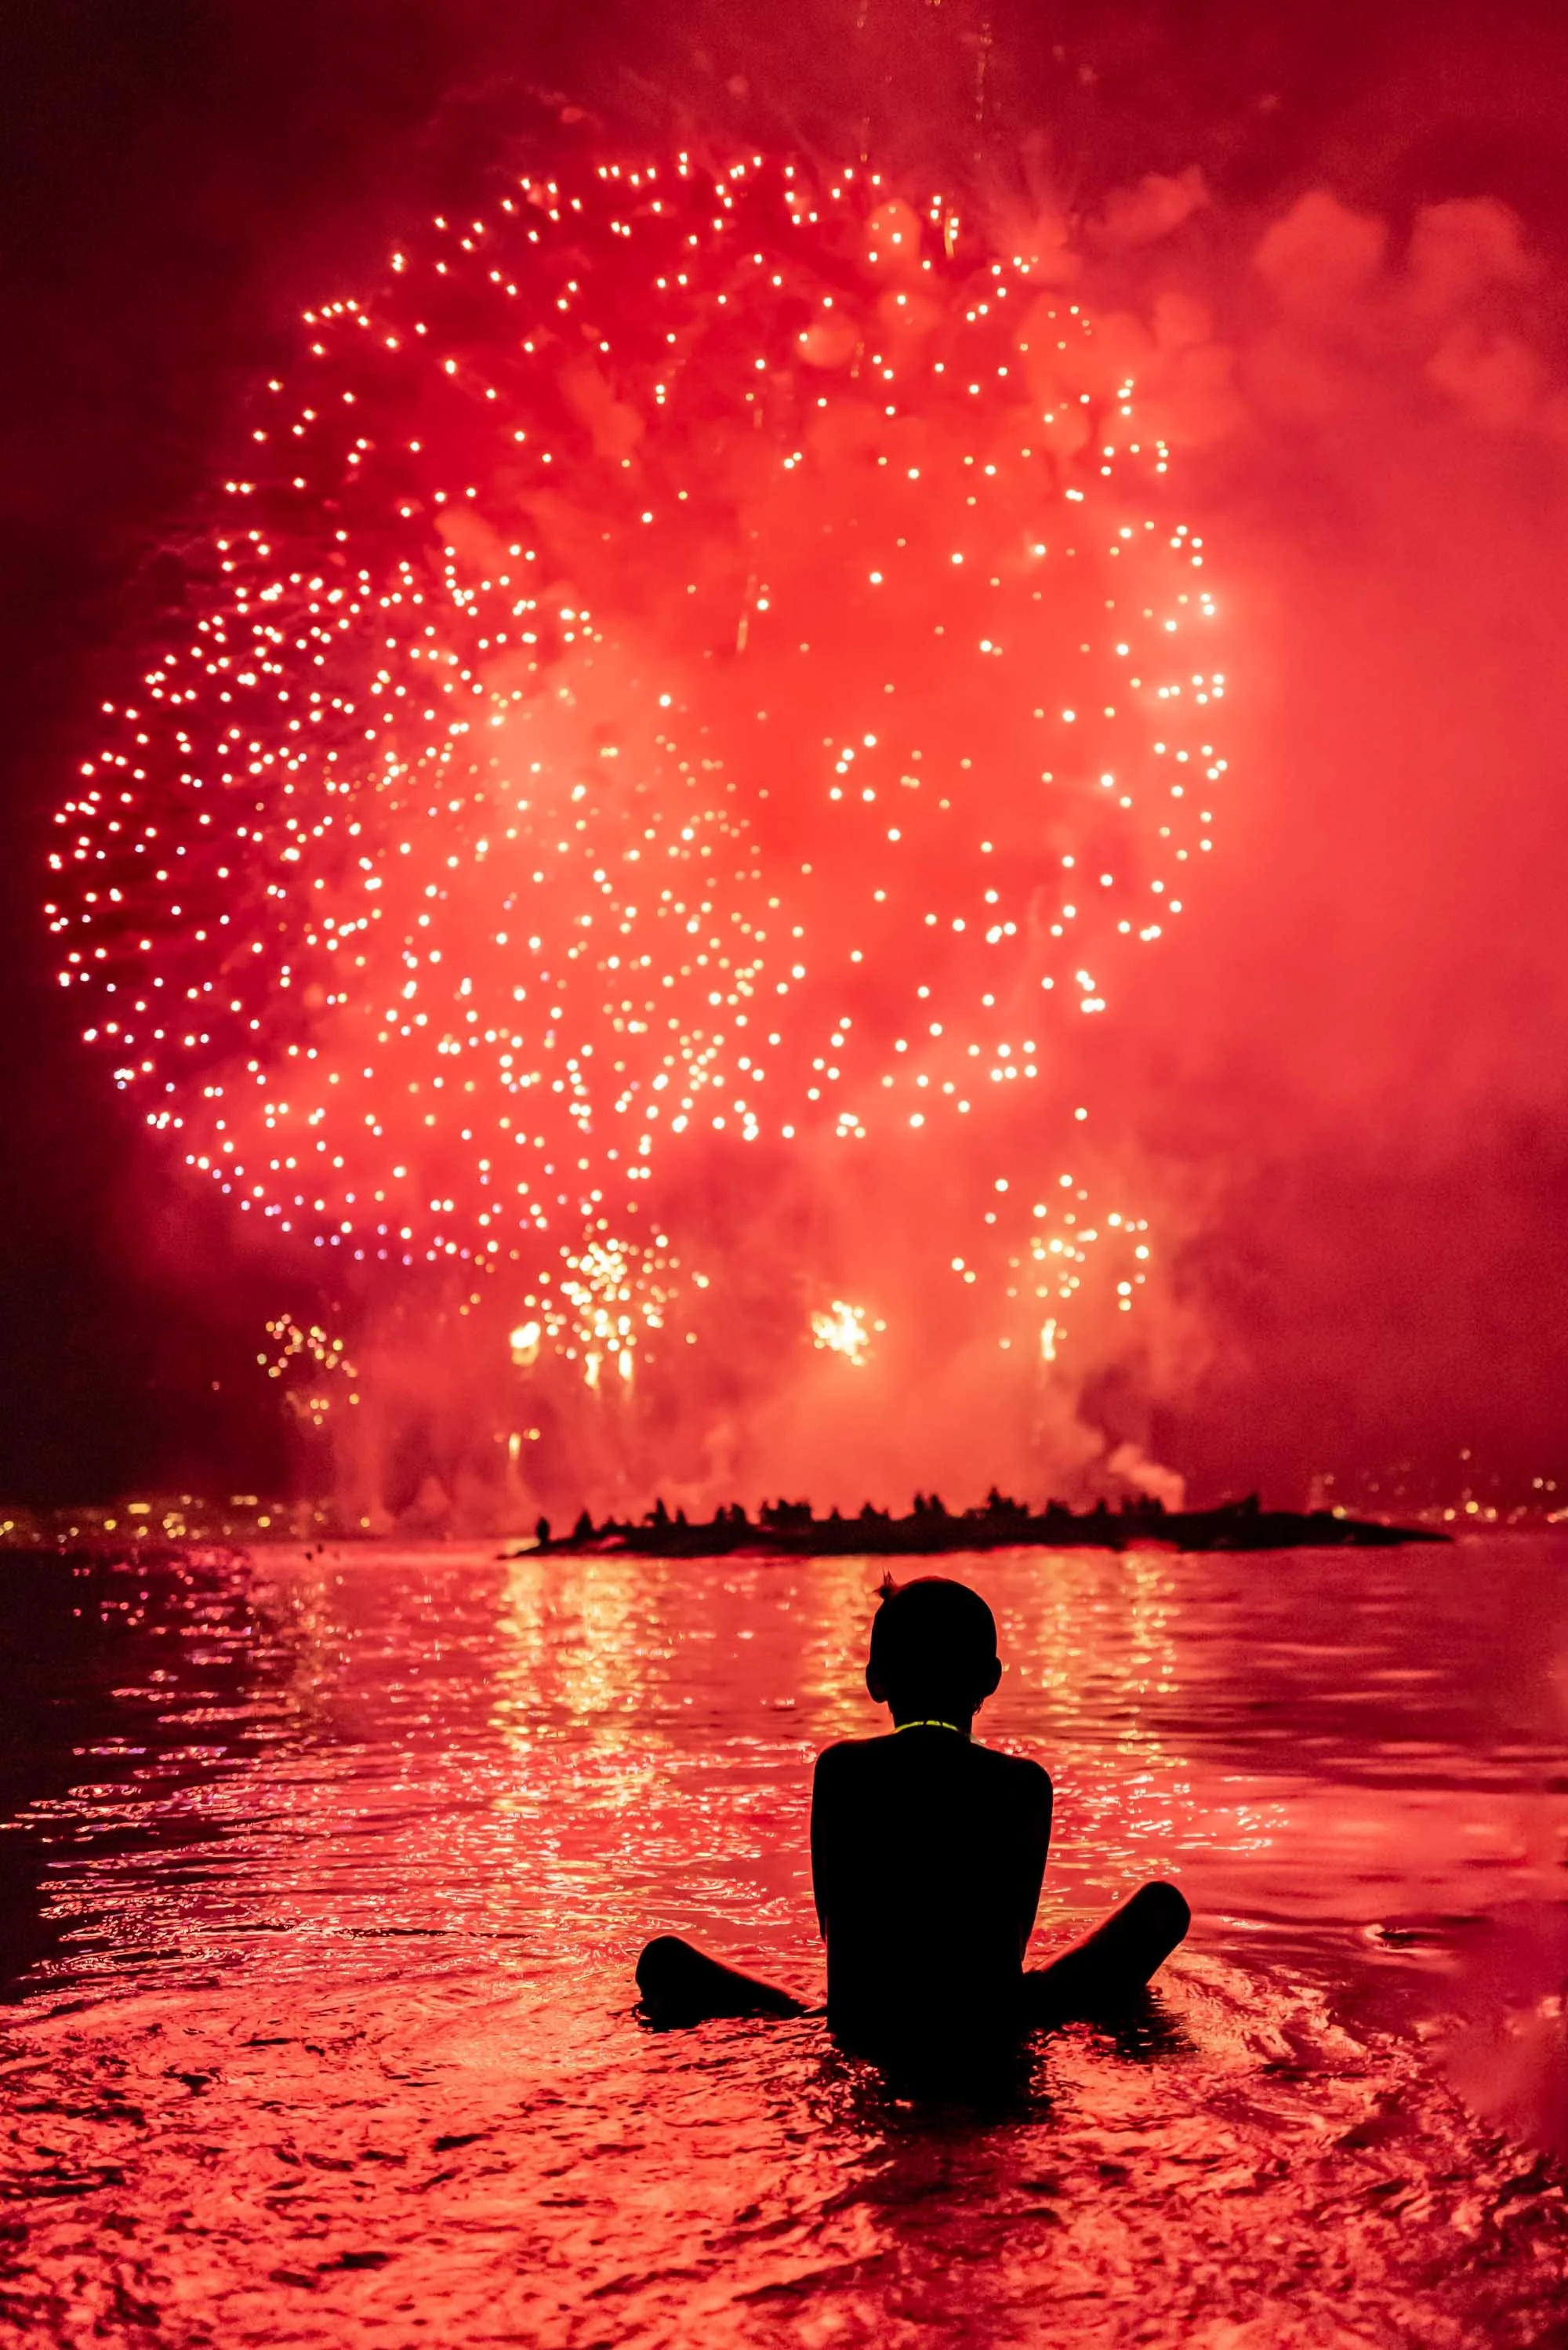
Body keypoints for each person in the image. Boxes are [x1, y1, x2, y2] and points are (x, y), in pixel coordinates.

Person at [636, 1575, 1189, 2071]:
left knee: (666, 1961)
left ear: (877, 1680)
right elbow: (1010, 1939)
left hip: (860, 2024)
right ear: (990, 1678)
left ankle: (815, 2015)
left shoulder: (842, 1770)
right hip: (989, 2024)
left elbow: (836, 1930)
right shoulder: (1023, 1783)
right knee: (1160, 1907)